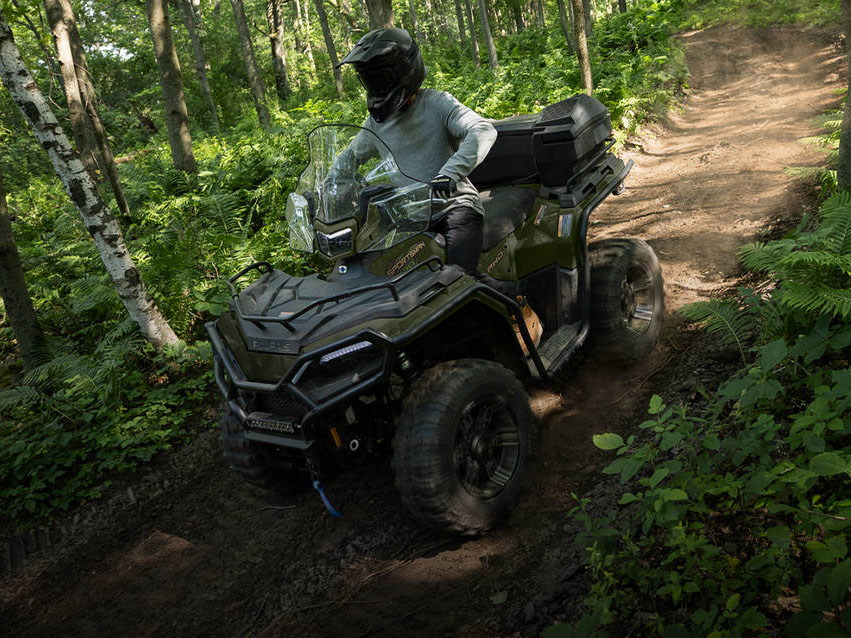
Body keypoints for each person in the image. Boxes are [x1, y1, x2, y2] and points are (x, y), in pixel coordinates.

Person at [337, 28, 514, 295]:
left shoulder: (436, 103)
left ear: (402, 73)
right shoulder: (375, 124)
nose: (376, 88)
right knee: (388, 285)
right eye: (370, 81)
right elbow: (347, 158)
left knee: (461, 279)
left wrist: (450, 173)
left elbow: (483, 130)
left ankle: (518, 298)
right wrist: (327, 189)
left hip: (454, 207)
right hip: (409, 218)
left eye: (380, 79)